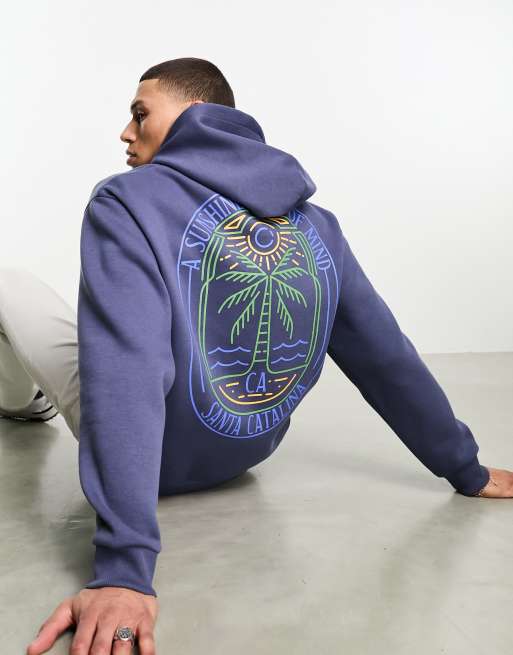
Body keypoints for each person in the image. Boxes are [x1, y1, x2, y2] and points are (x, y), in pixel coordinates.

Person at [1, 56, 506, 655]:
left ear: (194, 116)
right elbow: (385, 357)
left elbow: (126, 374)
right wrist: (464, 467)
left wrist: (124, 571)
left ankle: (27, 404)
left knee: (7, 285)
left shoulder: (126, 201)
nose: (126, 133)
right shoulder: (319, 227)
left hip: (153, 462)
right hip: (242, 455)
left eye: (140, 114)